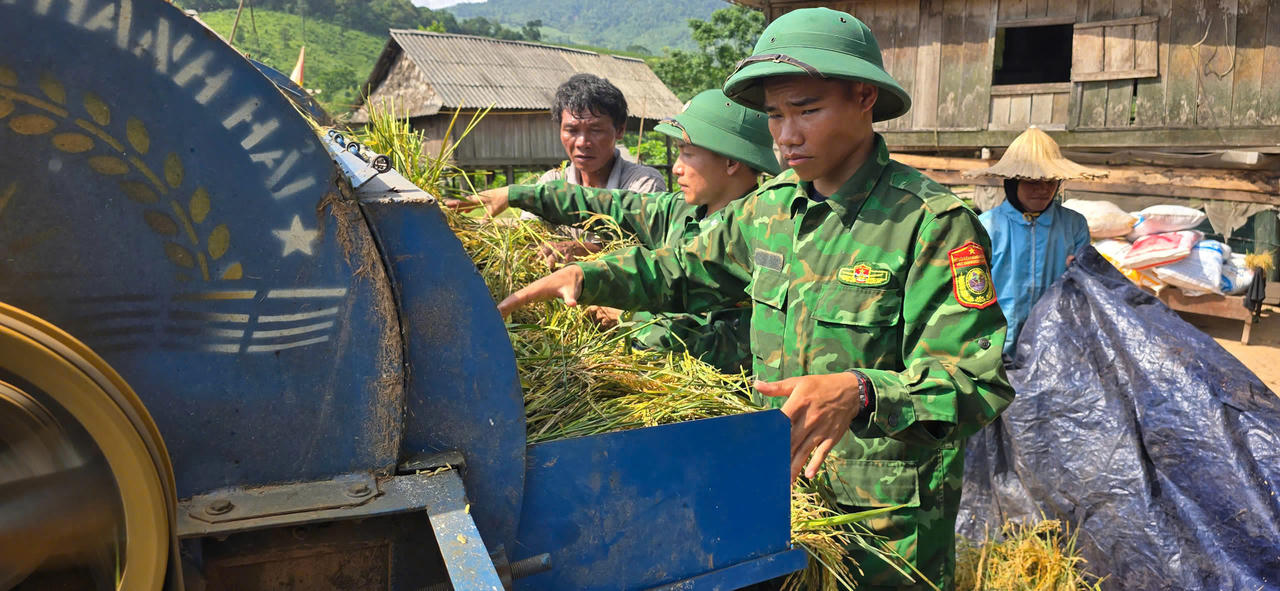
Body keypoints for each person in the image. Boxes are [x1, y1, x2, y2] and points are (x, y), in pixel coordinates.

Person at [494, 8, 1013, 590]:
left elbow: (977, 379)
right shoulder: (771, 208)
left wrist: (863, 390)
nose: (786, 135)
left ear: (864, 98)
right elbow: (685, 268)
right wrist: (588, 277)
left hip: (886, 525)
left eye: (807, 110)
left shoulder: (930, 224)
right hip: (786, 496)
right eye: (774, 115)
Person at [447, 89, 781, 373]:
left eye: (688, 154)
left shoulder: (762, 232)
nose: (676, 167)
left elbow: (725, 344)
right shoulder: (680, 210)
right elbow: (604, 203)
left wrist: (628, 317)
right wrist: (517, 194)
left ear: (731, 163)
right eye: (677, 152)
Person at [964, 126, 1105, 358]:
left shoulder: (1074, 225)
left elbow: (1084, 286)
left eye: (1050, 182)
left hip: (1053, 341)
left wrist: (1081, 270)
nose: (1043, 189)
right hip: (995, 342)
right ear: (1012, 182)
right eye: (1032, 181)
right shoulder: (986, 226)